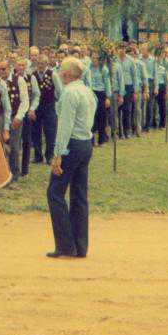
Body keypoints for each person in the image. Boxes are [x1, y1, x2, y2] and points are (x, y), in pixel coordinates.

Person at [47, 57, 97, 259]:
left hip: (71, 145)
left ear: (66, 74)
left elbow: (65, 126)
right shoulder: (87, 91)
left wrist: (58, 154)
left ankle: (66, 245)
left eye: (61, 70)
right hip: (86, 143)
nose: (59, 73)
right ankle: (80, 245)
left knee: (55, 192)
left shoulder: (69, 93)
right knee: (79, 195)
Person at [0, 58, 27, 183]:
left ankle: (14, 173)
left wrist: (19, 117)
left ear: (9, 68)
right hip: (1, 118)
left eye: (3, 69)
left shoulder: (19, 80)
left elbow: (25, 101)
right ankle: (2, 173)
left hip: (15, 117)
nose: (1, 72)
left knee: (14, 146)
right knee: (0, 146)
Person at [31, 54, 62, 164]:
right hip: (37, 106)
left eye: (43, 63)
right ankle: (38, 156)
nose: (40, 66)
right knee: (36, 132)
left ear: (47, 64)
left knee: (50, 132)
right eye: (39, 63)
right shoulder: (33, 75)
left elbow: (59, 90)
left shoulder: (52, 74)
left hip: (49, 106)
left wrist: (58, 104)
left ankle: (49, 156)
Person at [15, 57, 40, 176]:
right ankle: (13, 168)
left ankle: (24, 170)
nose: (21, 67)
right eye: (19, 65)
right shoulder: (12, 78)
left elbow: (36, 95)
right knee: (14, 142)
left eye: (23, 65)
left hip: (27, 113)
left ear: (26, 66)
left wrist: (32, 108)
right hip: (15, 113)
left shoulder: (31, 78)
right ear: (15, 66)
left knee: (26, 141)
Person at [88, 52, 111, 146]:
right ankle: (91, 140)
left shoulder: (104, 69)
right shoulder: (89, 67)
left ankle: (102, 139)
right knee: (92, 117)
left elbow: (107, 83)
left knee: (102, 117)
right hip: (91, 93)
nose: (94, 60)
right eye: (92, 58)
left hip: (101, 93)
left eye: (96, 58)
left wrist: (107, 97)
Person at [117, 44, 137, 139]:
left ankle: (126, 131)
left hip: (128, 86)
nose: (122, 50)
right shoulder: (114, 60)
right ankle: (119, 132)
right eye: (120, 48)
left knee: (127, 110)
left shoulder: (130, 60)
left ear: (125, 49)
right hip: (117, 86)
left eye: (123, 48)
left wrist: (135, 90)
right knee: (117, 110)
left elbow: (134, 75)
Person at [140, 44, 157, 131]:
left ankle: (148, 125)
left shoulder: (153, 60)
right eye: (142, 49)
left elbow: (155, 74)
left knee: (149, 105)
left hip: (150, 82)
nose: (142, 51)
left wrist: (156, 87)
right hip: (141, 82)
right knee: (141, 104)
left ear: (148, 50)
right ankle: (140, 124)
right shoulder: (139, 59)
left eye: (144, 49)